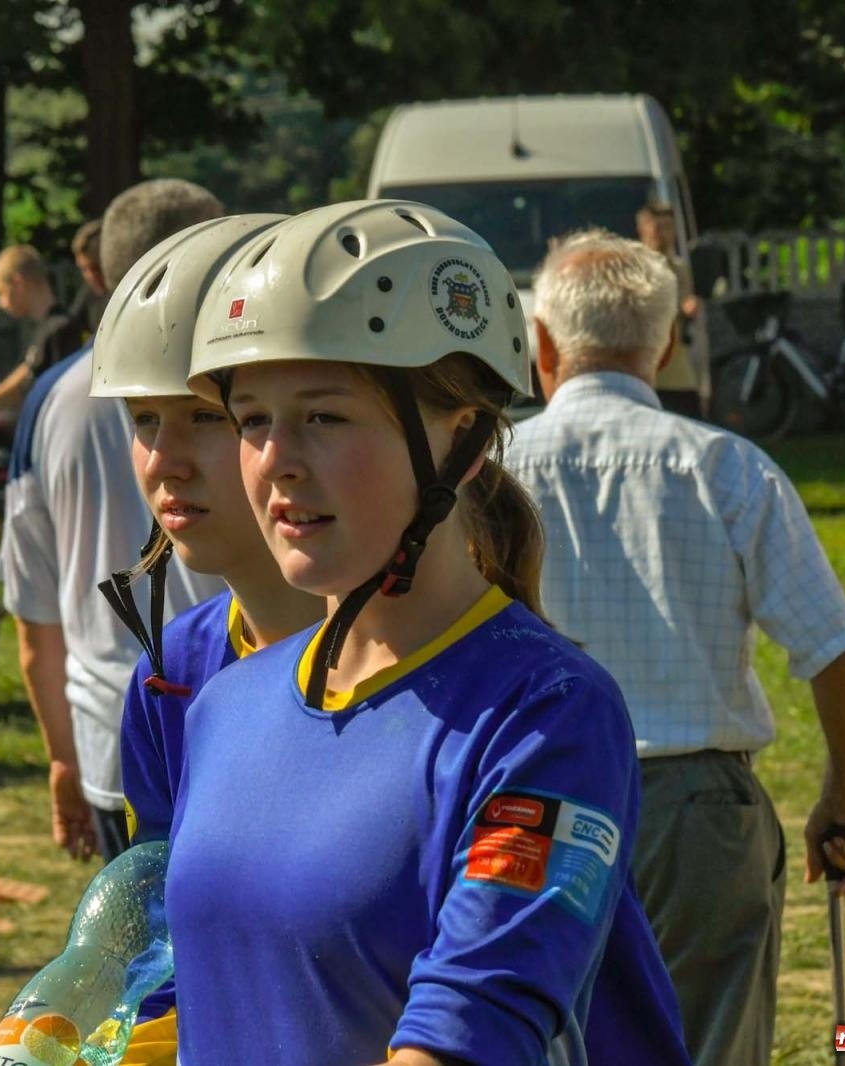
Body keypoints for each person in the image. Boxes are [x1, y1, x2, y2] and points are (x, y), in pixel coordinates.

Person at [159, 201, 671, 1065]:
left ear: (462, 443)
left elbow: (472, 1027)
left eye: (324, 416)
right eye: (250, 420)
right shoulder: (223, 703)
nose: (276, 459)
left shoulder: (548, 715)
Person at [504, 230, 845, 1066]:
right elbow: (837, 655)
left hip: (532, 795)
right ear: (669, 342)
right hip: (699, 815)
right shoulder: (728, 468)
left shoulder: (492, 474)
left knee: (536, 1033)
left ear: (541, 345)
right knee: (708, 1041)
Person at [88, 214, 326, 1065]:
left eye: (201, 416)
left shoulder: (454, 675)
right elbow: (162, 950)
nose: (164, 461)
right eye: (144, 420)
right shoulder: (170, 675)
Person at [0, 179, 228, 864]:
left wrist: (61, 757)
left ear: (99, 273)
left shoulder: (52, 400)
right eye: (144, 421)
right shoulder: (258, 383)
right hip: (249, 723)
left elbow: (35, 618)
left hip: (111, 738)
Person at [0, 244, 88, 426]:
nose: (0, 303)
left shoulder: (60, 329)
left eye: (1, 292)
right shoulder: (45, 330)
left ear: (17, 282)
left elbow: (33, 382)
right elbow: (28, 373)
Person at [635, 200, 704, 417]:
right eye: (657, 227)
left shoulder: (680, 268)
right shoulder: (635, 268)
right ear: (643, 230)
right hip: (647, 373)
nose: (663, 234)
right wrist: (680, 309)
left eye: (668, 227)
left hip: (679, 370)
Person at [68, 217, 110, 332]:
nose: (90, 276)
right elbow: (69, 324)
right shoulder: (89, 296)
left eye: (95, 268)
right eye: (84, 269)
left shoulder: (127, 289)